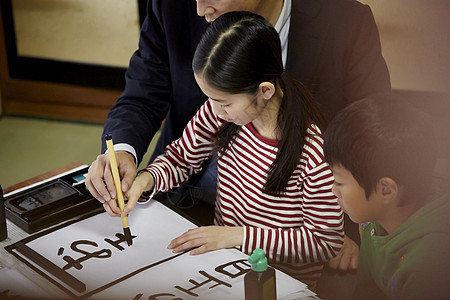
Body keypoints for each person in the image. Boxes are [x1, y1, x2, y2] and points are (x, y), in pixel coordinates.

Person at [85, 0, 391, 272]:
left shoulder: (314, 154)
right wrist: (146, 178)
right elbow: (180, 153)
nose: (199, 9)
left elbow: (323, 238)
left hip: (279, 265)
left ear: (263, 91)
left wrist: (359, 223)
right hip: (222, 248)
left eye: (225, 102)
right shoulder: (222, 113)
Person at [323, 93, 450, 299]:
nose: (333, 190)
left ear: (386, 190)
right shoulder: (370, 222)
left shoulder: (430, 265)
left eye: (339, 182)